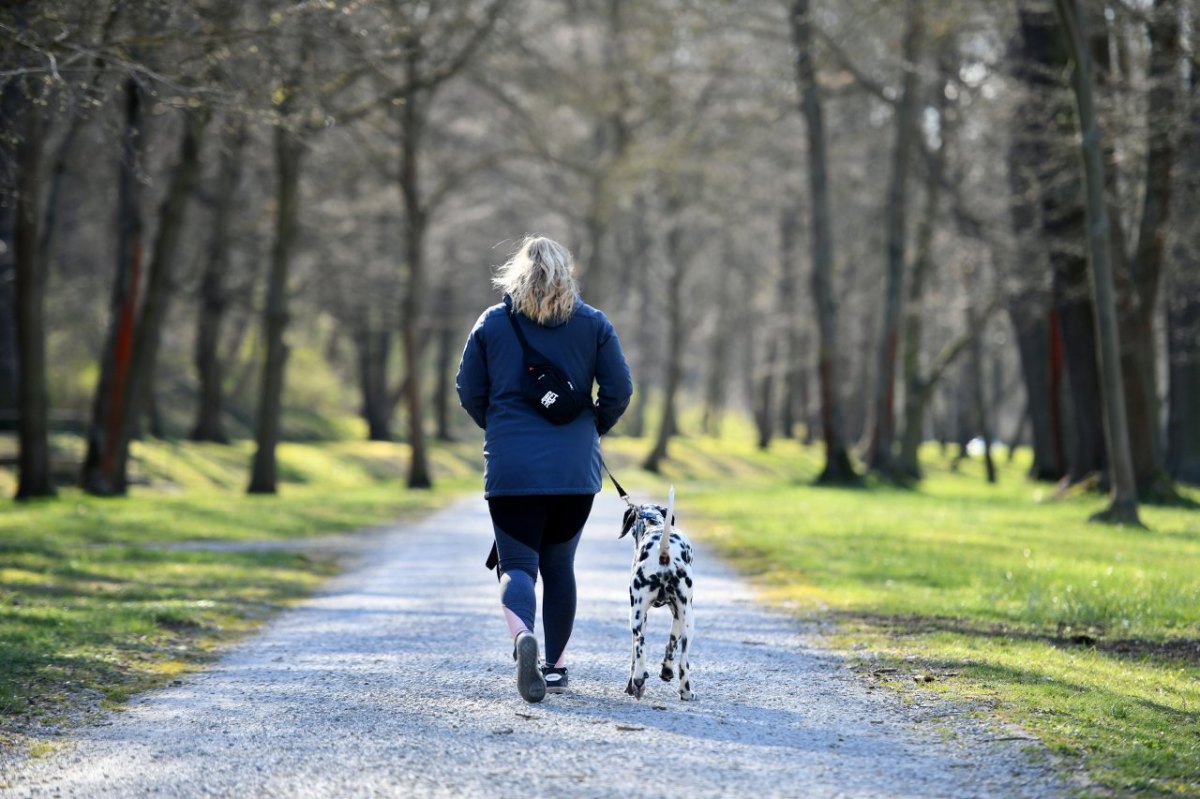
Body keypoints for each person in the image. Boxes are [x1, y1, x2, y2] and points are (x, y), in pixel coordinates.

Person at [456, 235, 633, 703]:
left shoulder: (493, 323)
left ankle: (522, 640)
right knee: (560, 567)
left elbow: (468, 389)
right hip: (575, 471)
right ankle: (553, 668)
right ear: (567, 273)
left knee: (517, 565)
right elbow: (619, 389)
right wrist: (592, 427)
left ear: (516, 274)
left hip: (511, 469)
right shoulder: (594, 324)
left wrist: (497, 427)